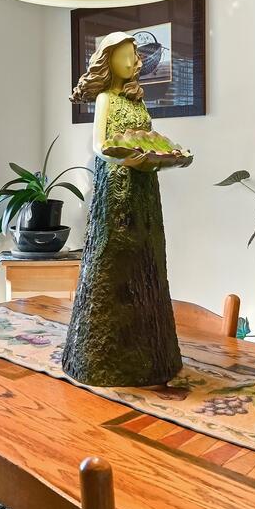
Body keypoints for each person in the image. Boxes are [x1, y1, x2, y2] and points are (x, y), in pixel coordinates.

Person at [61, 31, 185, 386]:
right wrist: (130, 157)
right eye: (128, 54)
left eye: (136, 55)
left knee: (148, 264)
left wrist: (157, 158)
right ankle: (100, 356)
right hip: (115, 192)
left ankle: (149, 353)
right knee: (112, 263)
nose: (135, 60)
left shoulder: (138, 102)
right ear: (110, 58)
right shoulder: (105, 100)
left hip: (145, 191)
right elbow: (101, 145)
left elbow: (149, 141)